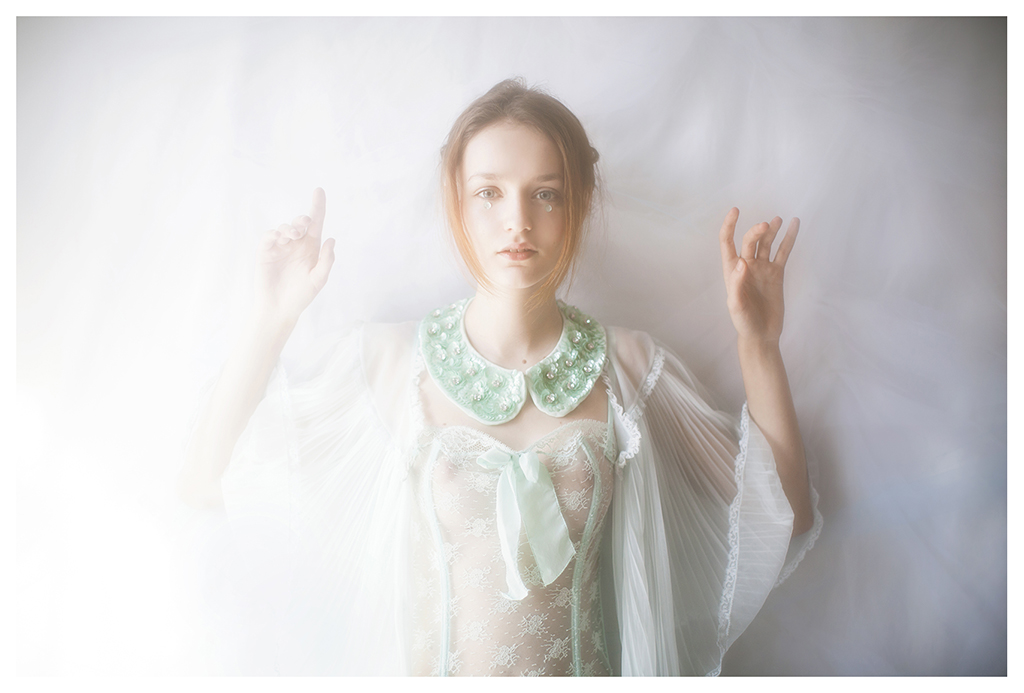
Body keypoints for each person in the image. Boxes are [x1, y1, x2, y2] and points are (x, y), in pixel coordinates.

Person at [179, 78, 820, 676]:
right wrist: (273, 318)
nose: (518, 221)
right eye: (489, 192)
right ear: (456, 202)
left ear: (578, 204)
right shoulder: (392, 363)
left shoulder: (628, 367)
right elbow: (208, 480)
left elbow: (783, 517)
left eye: (545, 193)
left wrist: (759, 344)